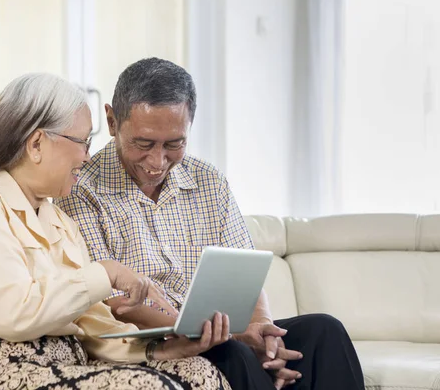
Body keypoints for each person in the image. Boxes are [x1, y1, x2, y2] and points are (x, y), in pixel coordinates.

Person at [0, 73, 239, 390]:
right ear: (37, 143)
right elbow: (13, 314)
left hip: (60, 366)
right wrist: (106, 273)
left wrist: (160, 349)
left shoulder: (58, 221)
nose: (87, 155)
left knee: (199, 372)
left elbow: (93, 325)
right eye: (82, 141)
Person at [55, 57, 366, 390]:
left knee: (323, 332)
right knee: (232, 353)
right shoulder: (80, 188)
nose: (158, 161)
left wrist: (262, 332)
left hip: (223, 333)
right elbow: (114, 305)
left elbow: (247, 273)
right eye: (143, 144)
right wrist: (225, 335)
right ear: (113, 121)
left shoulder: (208, 180)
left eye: (174, 144)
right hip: (157, 342)